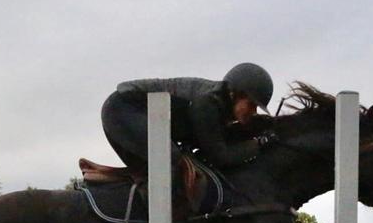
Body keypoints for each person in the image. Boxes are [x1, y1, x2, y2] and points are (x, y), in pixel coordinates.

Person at [100, 62, 277, 191]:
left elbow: (216, 143)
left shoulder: (218, 106)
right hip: (122, 110)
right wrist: (259, 144)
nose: (253, 111)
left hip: (123, 111)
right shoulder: (208, 103)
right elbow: (220, 156)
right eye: (252, 104)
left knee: (177, 167)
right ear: (235, 94)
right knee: (174, 164)